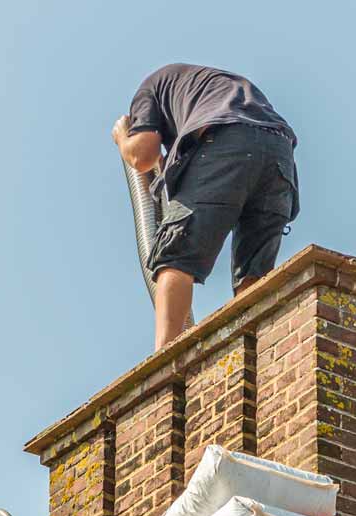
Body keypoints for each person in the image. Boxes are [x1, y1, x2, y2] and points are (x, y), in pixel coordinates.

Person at [112, 63, 300, 350]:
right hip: (279, 153)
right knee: (254, 276)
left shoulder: (149, 88)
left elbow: (143, 155)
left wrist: (123, 139)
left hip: (227, 139)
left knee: (175, 256)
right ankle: (255, 351)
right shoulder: (207, 88)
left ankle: (165, 361)